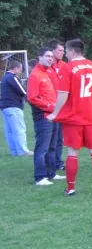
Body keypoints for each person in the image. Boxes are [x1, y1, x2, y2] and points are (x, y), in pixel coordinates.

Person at [47, 39, 92, 195]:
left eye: (66, 51)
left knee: (72, 153)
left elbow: (63, 94)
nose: (65, 55)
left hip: (73, 118)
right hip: (91, 116)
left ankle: (70, 189)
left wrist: (55, 113)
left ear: (72, 51)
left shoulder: (67, 68)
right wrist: (89, 101)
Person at [27, 48, 65, 186]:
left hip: (53, 116)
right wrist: (50, 106)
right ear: (40, 57)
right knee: (42, 148)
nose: (50, 58)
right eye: (47, 56)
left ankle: (51, 174)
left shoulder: (47, 73)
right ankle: (40, 177)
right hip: (43, 117)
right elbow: (32, 97)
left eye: (51, 56)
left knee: (52, 147)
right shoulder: (35, 75)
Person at [0, 61, 32, 156]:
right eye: (20, 69)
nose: (21, 71)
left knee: (10, 130)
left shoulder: (5, 77)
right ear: (16, 68)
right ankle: (23, 151)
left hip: (5, 107)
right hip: (13, 106)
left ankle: (14, 151)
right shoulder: (12, 77)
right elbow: (23, 91)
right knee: (19, 129)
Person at [44, 39, 66, 171]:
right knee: (50, 138)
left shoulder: (64, 65)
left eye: (64, 50)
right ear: (52, 51)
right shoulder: (45, 67)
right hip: (50, 107)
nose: (62, 52)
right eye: (60, 50)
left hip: (62, 106)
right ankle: (49, 164)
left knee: (59, 137)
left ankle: (57, 162)